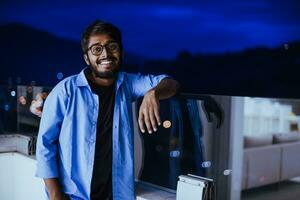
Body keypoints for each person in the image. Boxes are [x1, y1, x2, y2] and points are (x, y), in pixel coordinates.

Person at [35, 20, 180, 200]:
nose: (105, 54)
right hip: (74, 196)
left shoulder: (129, 84)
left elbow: (171, 83)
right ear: (87, 58)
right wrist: (56, 195)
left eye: (112, 46)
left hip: (117, 196)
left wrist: (153, 93)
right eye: (96, 49)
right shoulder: (65, 91)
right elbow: (45, 145)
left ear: (121, 52)